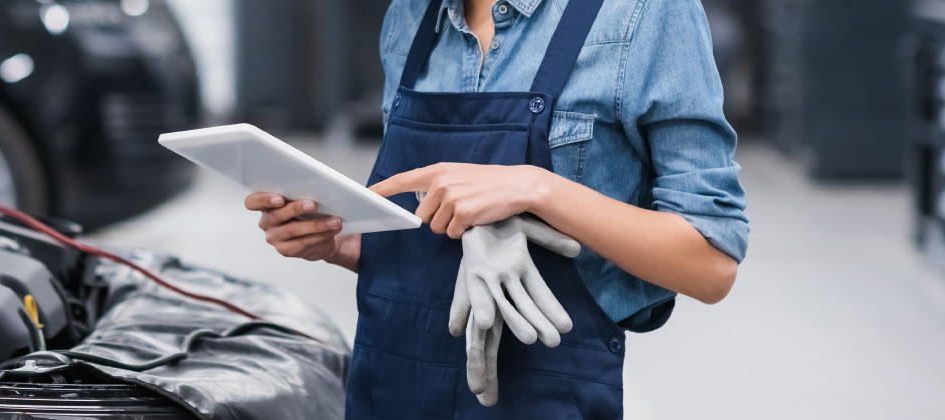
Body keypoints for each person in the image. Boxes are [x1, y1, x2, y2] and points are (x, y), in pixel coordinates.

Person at [245, 0, 749, 417]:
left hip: (545, 396)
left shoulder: (643, 14)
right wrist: (348, 240)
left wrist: (538, 188)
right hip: (392, 391)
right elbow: (439, 225)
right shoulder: (411, 18)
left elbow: (710, 264)